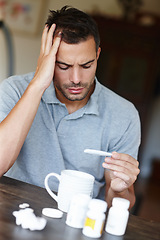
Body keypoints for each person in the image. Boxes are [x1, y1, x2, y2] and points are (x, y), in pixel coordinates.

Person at [0, 6, 140, 208]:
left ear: (98, 55)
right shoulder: (14, 90)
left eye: (86, 65)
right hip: (11, 212)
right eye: (63, 66)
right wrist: (38, 84)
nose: (76, 79)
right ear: (46, 59)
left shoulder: (124, 115)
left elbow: (122, 203)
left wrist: (119, 190)